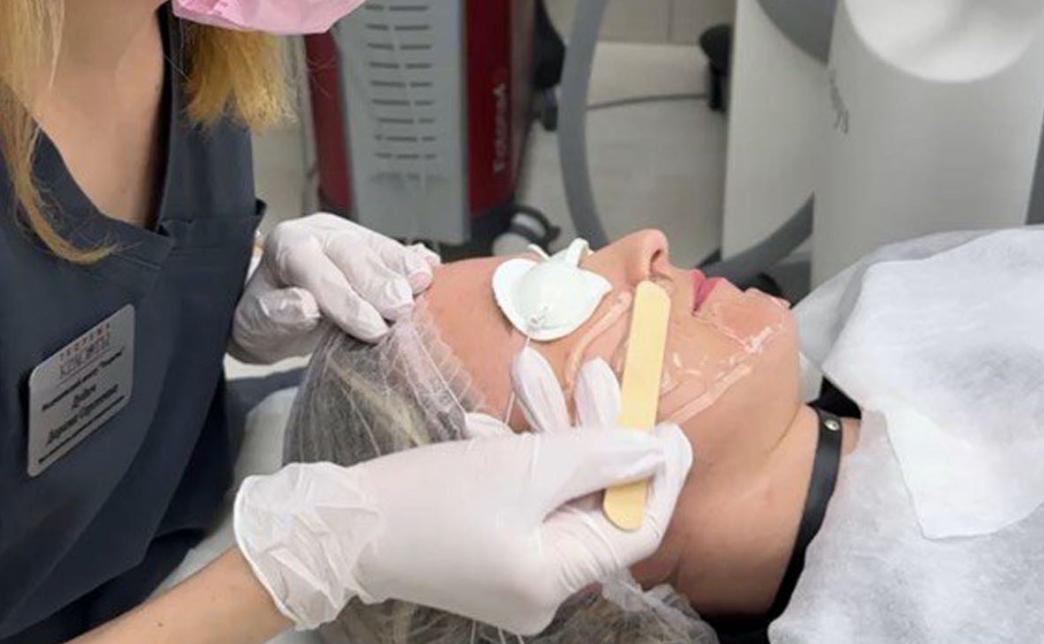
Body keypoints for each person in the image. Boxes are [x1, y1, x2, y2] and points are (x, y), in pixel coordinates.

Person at [0, 2, 692, 642]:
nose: (648, 251)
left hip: (170, 525)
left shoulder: (184, 33)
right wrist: (294, 566)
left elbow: (107, 277)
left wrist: (220, 285)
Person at [291, 226, 1044, 643]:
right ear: (555, 531)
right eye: (548, 299)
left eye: (562, 259)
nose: (642, 244)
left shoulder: (894, 307)